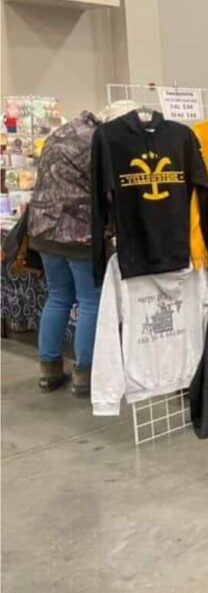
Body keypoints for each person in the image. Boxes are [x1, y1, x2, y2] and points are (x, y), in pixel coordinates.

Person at [25, 111, 104, 397]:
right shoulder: (98, 140)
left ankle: (49, 369)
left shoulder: (58, 135)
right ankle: (85, 374)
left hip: (43, 229)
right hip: (78, 232)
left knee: (58, 297)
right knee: (90, 302)